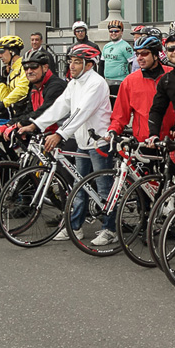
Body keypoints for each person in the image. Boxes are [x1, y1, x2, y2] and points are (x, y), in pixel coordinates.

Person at [20, 44, 116, 245]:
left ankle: (110, 229)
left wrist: (60, 134)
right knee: (78, 187)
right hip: (82, 141)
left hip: (98, 142)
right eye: (71, 61)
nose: (71, 65)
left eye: (77, 62)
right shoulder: (74, 82)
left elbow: (81, 112)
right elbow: (60, 107)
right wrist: (35, 124)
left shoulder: (97, 84)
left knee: (103, 189)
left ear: (89, 64)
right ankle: (75, 227)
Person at [108, 34, 174, 141]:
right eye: (137, 54)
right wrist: (113, 130)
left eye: (144, 53)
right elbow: (120, 115)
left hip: (172, 140)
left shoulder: (172, 75)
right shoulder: (130, 81)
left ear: (156, 55)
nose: (139, 58)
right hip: (143, 141)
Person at [0, 35, 30, 119]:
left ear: (12, 51)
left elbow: (22, 89)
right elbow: (4, 98)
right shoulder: (11, 69)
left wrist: (1, 105)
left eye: (1, 51)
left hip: (27, 112)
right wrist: (3, 81)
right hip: (15, 113)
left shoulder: (25, 66)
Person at [101, 19, 133, 86]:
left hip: (120, 81)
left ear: (121, 32)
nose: (113, 33)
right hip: (107, 81)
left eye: (116, 31)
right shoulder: (106, 46)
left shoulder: (126, 47)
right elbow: (101, 64)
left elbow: (132, 64)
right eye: (111, 31)